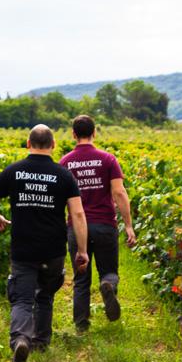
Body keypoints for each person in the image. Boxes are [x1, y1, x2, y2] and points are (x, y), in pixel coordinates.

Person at [0, 124, 89, 362]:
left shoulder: (14, 171)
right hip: (53, 249)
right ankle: (41, 342)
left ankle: (21, 339)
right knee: (45, 295)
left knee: (22, 298)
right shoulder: (63, 175)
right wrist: (82, 250)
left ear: (28, 144)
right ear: (53, 145)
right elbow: (77, 213)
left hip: (23, 248)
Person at [60, 113, 134, 331]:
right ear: (94, 132)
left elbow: (59, 199)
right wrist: (128, 225)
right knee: (109, 270)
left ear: (73, 134)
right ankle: (108, 285)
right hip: (104, 224)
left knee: (81, 278)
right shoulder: (108, 159)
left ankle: (81, 325)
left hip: (76, 227)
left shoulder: (65, 162)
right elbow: (119, 193)